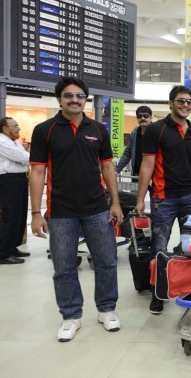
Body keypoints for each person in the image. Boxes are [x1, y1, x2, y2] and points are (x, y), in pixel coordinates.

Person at [29, 77, 124, 342]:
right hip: (61, 212)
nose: (75, 100)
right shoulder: (44, 130)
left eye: (80, 95)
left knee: (106, 262)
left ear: (86, 99)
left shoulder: (98, 129)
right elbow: (37, 171)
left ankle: (107, 309)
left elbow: (107, 168)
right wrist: (36, 213)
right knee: (63, 267)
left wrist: (115, 202)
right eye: (69, 95)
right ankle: (71, 315)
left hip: (97, 209)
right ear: (59, 99)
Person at [134, 85, 191, 315]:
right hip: (163, 199)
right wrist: (140, 199)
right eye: (180, 101)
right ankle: (158, 293)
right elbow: (146, 165)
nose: (185, 105)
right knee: (159, 248)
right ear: (170, 103)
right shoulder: (156, 130)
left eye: (188, 102)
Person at [0, 117, 30, 264]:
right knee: (11, 215)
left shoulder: (13, 141)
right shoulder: (2, 141)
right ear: (6, 128)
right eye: (15, 126)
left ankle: (12, 247)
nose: (19, 128)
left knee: (20, 215)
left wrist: (26, 156)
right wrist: (27, 156)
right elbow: (23, 157)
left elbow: (24, 157)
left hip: (20, 179)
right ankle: (3, 253)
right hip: (8, 180)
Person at [115, 106, 153, 177]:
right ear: (136, 118)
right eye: (139, 116)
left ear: (150, 117)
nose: (142, 118)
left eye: (145, 116)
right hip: (137, 175)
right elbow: (127, 153)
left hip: (153, 175)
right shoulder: (134, 132)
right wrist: (117, 170)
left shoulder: (157, 131)